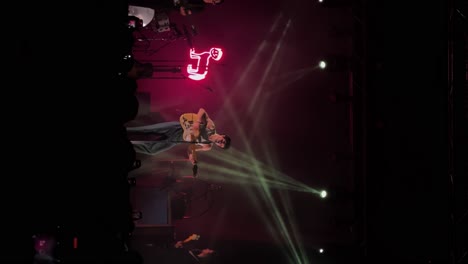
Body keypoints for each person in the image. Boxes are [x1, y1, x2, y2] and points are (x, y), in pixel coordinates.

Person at [126, 108, 231, 165]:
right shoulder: (211, 126)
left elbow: (191, 148)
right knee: (148, 129)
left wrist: (191, 156)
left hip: (178, 139)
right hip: (178, 127)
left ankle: (128, 145)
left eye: (221, 145)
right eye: (223, 141)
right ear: (223, 136)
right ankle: (125, 130)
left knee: (152, 150)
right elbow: (202, 110)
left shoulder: (207, 146)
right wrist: (197, 122)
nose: (220, 143)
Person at [128, 0, 224, 17]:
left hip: (169, 4)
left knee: (145, 3)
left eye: (215, 0)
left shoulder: (200, 7)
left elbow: (186, 13)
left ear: (213, 3)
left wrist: (182, 10)